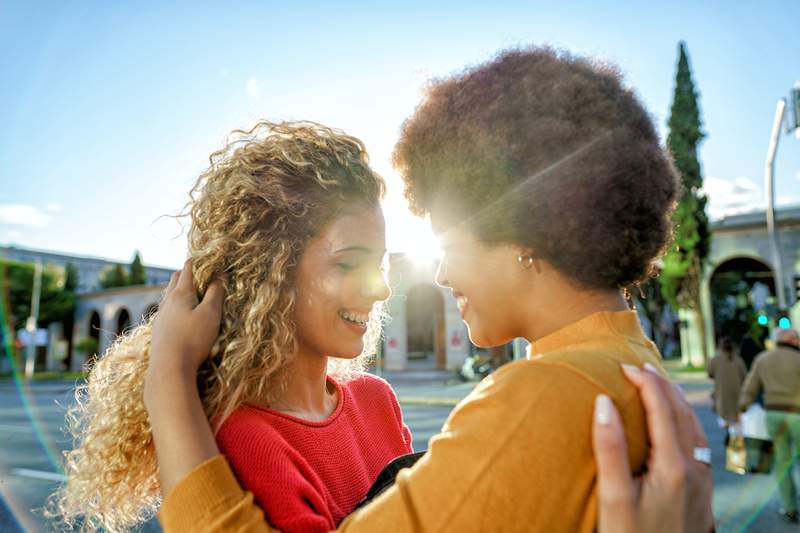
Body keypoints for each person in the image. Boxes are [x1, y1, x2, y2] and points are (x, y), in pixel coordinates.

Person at [147, 47, 714, 532]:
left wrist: (167, 382)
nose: (438, 273)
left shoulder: (545, 396)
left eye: (445, 237)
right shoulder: (627, 362)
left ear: (521, 226)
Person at [51, 121, 416, 532]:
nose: (382, 289)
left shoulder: (376, 400)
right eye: (349, 263)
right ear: (271, 274)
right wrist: (169, 372)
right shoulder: (243, 438)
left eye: (379, 264)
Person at [740, 328, 800, 524]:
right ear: (791, 340)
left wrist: (742, 408)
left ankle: (790, 508)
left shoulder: (762, 359)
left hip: (773, 415)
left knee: (783, 462)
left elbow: (750, 387)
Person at [707, 337, 747, 430]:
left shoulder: (716, 359)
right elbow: (744, 376)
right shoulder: (738, 360)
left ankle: (729, 436)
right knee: (736, 422)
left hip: (722, 394)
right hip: (737, 394)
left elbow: (710, 373)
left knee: (725, 419)